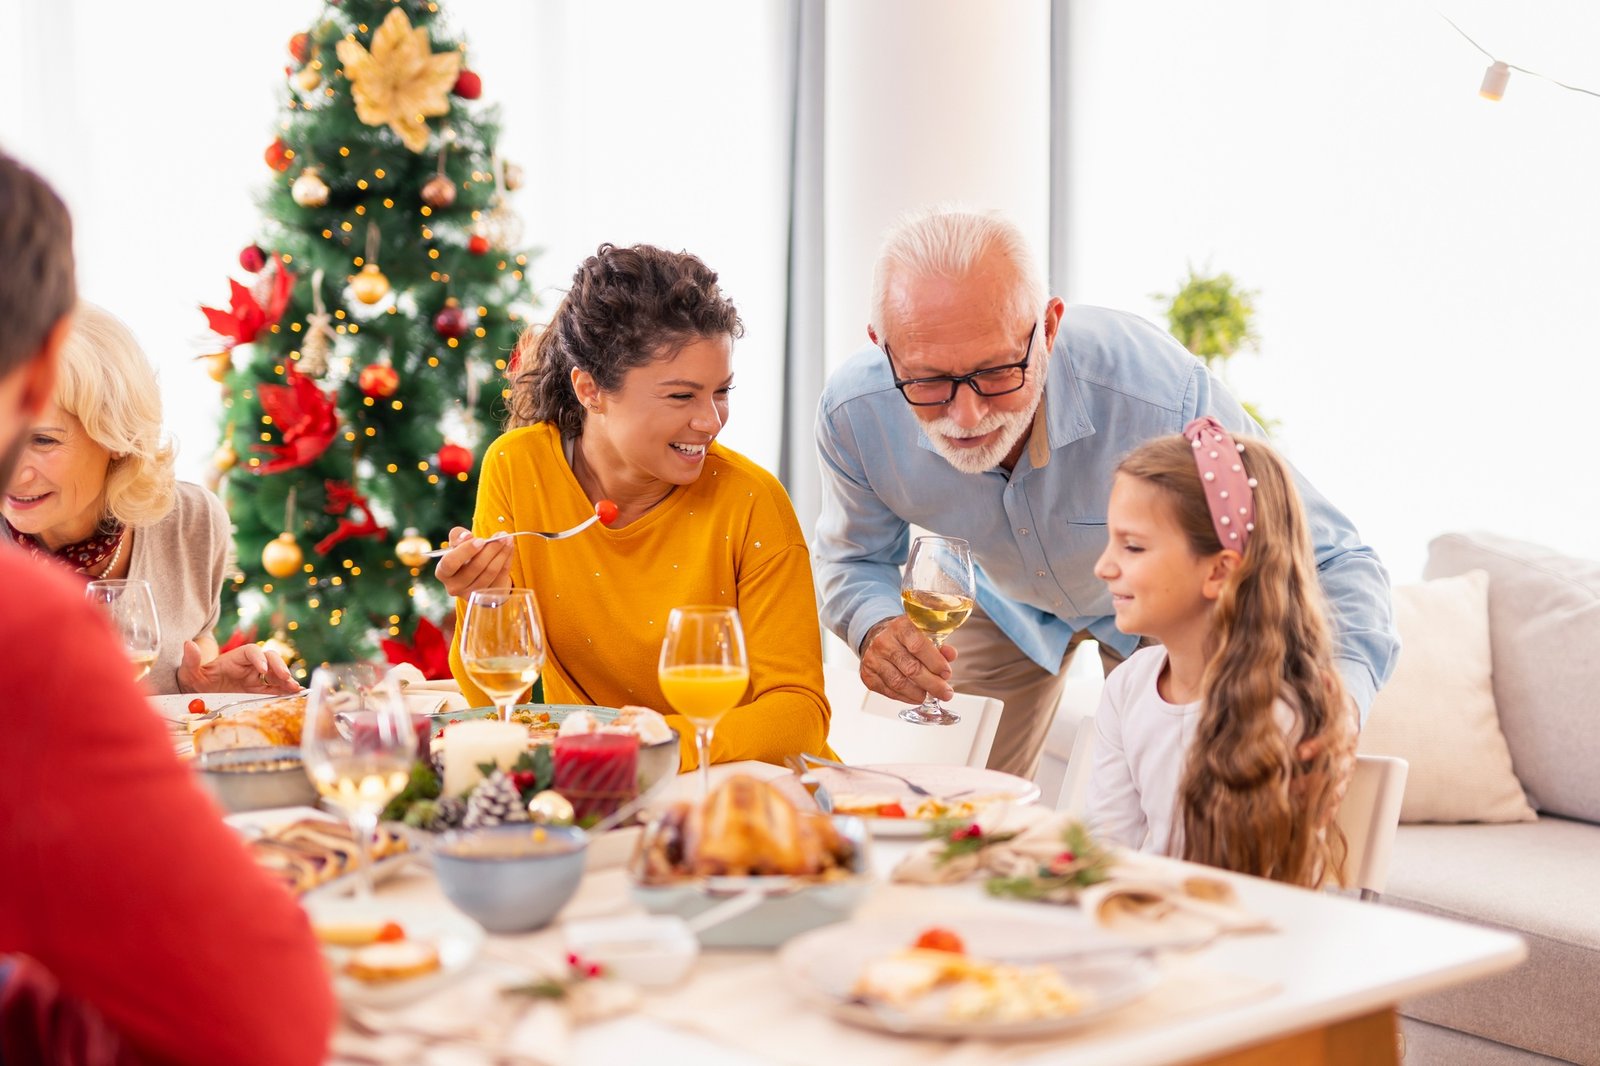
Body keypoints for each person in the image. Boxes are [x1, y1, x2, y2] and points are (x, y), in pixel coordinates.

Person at [814, 206, 1397, 779]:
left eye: (997, 372)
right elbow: (853, 557)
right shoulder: (854, 415)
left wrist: (1339, 697)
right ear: (881, 344)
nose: (967, 415)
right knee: (951, 805)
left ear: (1048, 326)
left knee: (1175, 809)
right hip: (998, 604)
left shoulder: (1160, 396)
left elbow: (1332, 558)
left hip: (1162, 611)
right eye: (929, 381)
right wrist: (875, 625)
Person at [0, 153, 333, 1062]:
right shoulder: (27, 626)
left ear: (112, 443)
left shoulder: (186, 521)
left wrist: (200, 676)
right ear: (29, 378)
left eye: (52, 445)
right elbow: (268, 1013)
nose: (27, 469)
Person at [439, 243, 833, 771]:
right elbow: (498, 708)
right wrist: (485, 603)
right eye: (680, 397)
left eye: (721, 391)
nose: (710, 421)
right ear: (590, 389)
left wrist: (643, 744)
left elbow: (798, 714)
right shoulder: (518, 466)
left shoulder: (751, 501)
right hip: (595, 792)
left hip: (736, 792)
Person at [1084, 419, 1355, 886]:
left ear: (1218, 572)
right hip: (1139, 926)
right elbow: (1107, 851)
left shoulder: (1283, 711)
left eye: (1132, 546)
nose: (1103, 566)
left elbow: (1271, 898)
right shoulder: (1128, 686)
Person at [0, 302, 296, 695]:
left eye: (42, 440)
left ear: (116, 437)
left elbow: (193, 649)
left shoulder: (191, 525)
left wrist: (205, 686)